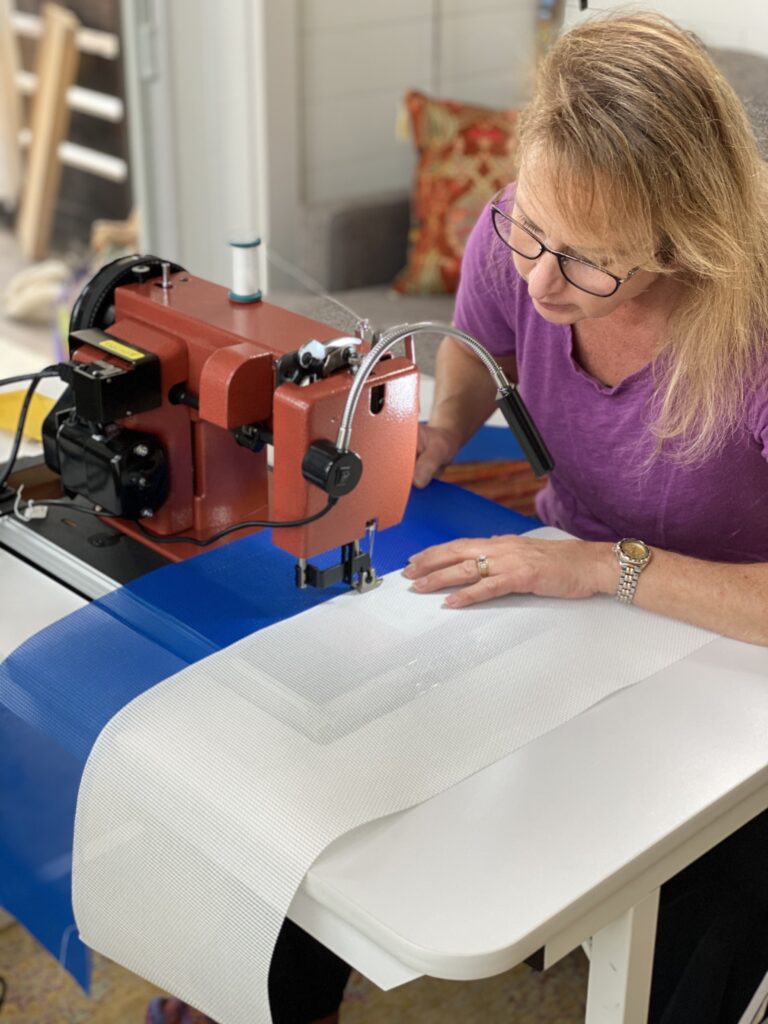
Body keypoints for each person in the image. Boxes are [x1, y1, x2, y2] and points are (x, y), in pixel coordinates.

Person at [149, 11, 768, 1024]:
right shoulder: (517, 240)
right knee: (337, 784)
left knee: (712, 919)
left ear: (680, 236)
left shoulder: (753, 321)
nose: (536, 276)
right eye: (530, 229)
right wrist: (441, 429)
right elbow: (480, 340)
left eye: (587, 261)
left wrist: (603, 568)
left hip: (736, 647)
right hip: (570, 587)